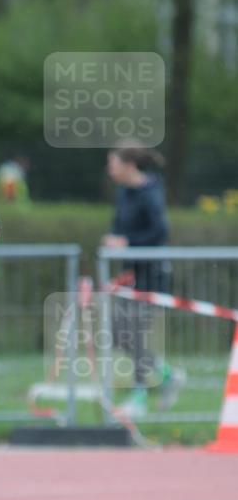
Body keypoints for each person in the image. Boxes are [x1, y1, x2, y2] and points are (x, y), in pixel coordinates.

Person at [102, 145, 184, 418]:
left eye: (113, 163)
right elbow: (119, 229)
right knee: (117, 332)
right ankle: (167, 375)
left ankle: (138, 397)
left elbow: (160, 233)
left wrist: (127, 243)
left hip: (154, 277)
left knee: (134, 331)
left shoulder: (151, 193)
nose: (109, 169)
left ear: (129, 165)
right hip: (132, 276)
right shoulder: (124, 194)